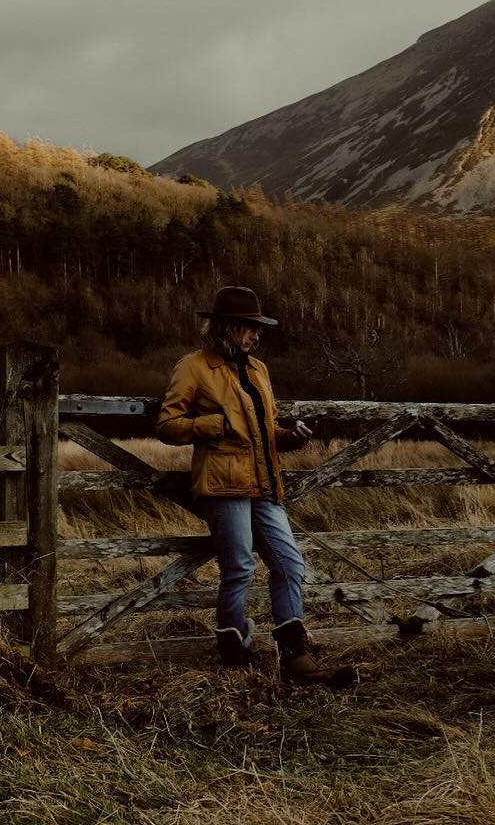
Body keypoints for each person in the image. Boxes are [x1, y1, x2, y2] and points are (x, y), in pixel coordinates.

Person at [155, 285, 355, 688]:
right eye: (249, 327)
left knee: (289, 563)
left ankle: (296, 656)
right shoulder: (193, 367)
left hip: (265, 484)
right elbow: (166, 425)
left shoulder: (258, 369)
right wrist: (212, 425)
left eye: (257, 328)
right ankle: (234, 651)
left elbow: (266, 427)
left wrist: (288, 435)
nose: (256, 335)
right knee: (240, 567)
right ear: (227, 327)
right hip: (224, 485)